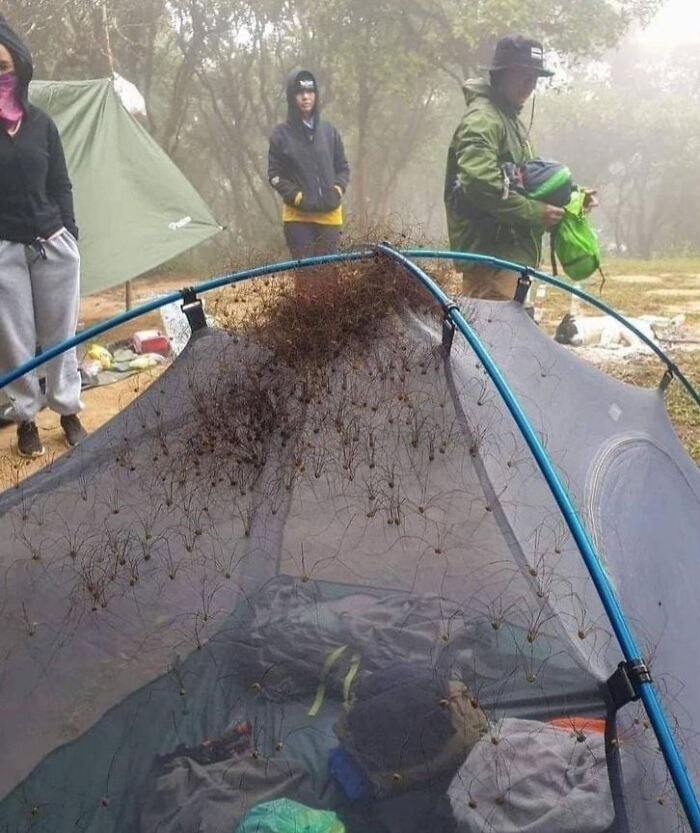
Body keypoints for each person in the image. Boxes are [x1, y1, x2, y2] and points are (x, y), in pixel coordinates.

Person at [0, 16, 86, 458]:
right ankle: (26, 419)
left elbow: (61, 183)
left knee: (61, 334)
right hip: (5, 248)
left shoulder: (41, 125)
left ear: (19, 66)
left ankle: (68, 410)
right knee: (15, 339)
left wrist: (69, 231)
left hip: (52, 241)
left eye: (2, 66)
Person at [444, 35, 563, 300]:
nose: (529, 85)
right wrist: (535, 212)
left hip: (509, 256)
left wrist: (570, 196)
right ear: (501, 75)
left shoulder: (509, 119)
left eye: (535, 78)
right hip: (490, 261)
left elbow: (524, 180)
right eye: (523, 75)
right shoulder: (483, 120)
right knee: (491, 338)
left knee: (508, 338)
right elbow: (479, 182)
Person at [268, 69, 350, 260]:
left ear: (316, 95)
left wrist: (337, 189)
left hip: (330, 215)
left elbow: (343, 167)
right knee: (306, 278)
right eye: (299, 92)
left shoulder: (329, 131)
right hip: (298, 218)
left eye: (310, 92)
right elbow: (274, 175)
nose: (305, 97)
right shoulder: (281, 135)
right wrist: (297, 197)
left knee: (328, 277)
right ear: (291, 97)